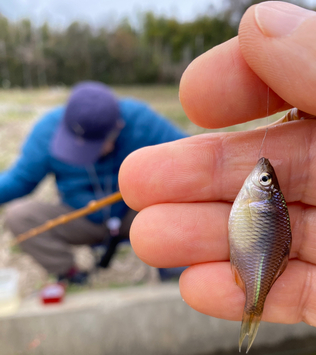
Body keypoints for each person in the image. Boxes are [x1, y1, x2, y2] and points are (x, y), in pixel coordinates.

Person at [119, 2, 316, 353]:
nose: (263, 176)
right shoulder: (260, 201)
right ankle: (253, 306)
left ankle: (253, 305)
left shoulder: (258, 200)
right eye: (267, 181)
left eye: (266, 180)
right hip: (262, 258)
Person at [1, 81, 187, 283]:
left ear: (118, 126)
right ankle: (71, 274)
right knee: (19, 216)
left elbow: (188, 159)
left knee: (175, 202)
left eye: (95, 145)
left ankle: (173, 264)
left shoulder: (140, 120)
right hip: (80, 217)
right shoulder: (46, 132)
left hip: (133, 214)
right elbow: (20, 180)